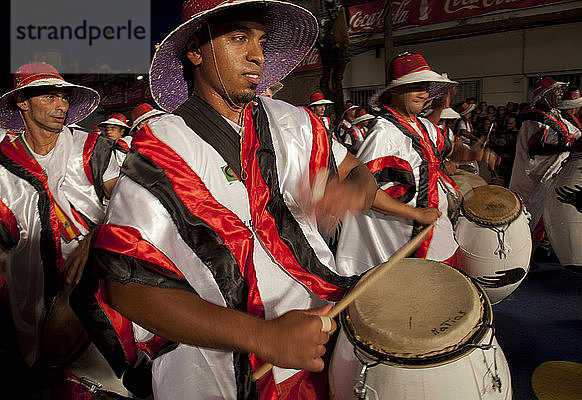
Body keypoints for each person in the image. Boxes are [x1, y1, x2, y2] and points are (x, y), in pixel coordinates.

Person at [72, 1, 380, 398]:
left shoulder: (294, 122)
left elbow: (358, 171)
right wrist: (265, 336)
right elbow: (126, 287)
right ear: (195, 51)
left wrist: (351, 191)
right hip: (218, 368)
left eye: (261, 41)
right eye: (239, 38)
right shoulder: (163, 147)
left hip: (321, 335)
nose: (257, 55)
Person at [0, 62, 119, 395]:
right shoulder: (4, 164)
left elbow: (135, 200)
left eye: (64, 97)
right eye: (49, 96)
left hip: (103, 297)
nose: (61, 105)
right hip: (34, 310)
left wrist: (96, 235)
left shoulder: (91, 150)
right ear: (23, 102)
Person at [336, 53, 498, 275]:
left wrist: (475, 154)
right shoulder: (383, 134)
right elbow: (364, 193)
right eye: (415, 87)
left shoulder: (424, 126)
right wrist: (416, 215)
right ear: (393, 90)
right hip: (404, 241)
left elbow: (451, 149)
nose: (424, 94)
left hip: (436, 231)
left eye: (425, 87)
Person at [509, 77, 582, 253]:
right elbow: (536, 147)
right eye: (556, 91)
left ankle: (538, 247)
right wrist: (568, 146)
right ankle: (524, 252)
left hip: (550, 173)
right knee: (530, 212)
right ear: (544, 95)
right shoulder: (534, 119)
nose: (560, 95)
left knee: (544, 212)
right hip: (535, 175)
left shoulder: (555, 115)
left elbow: (572, 135)